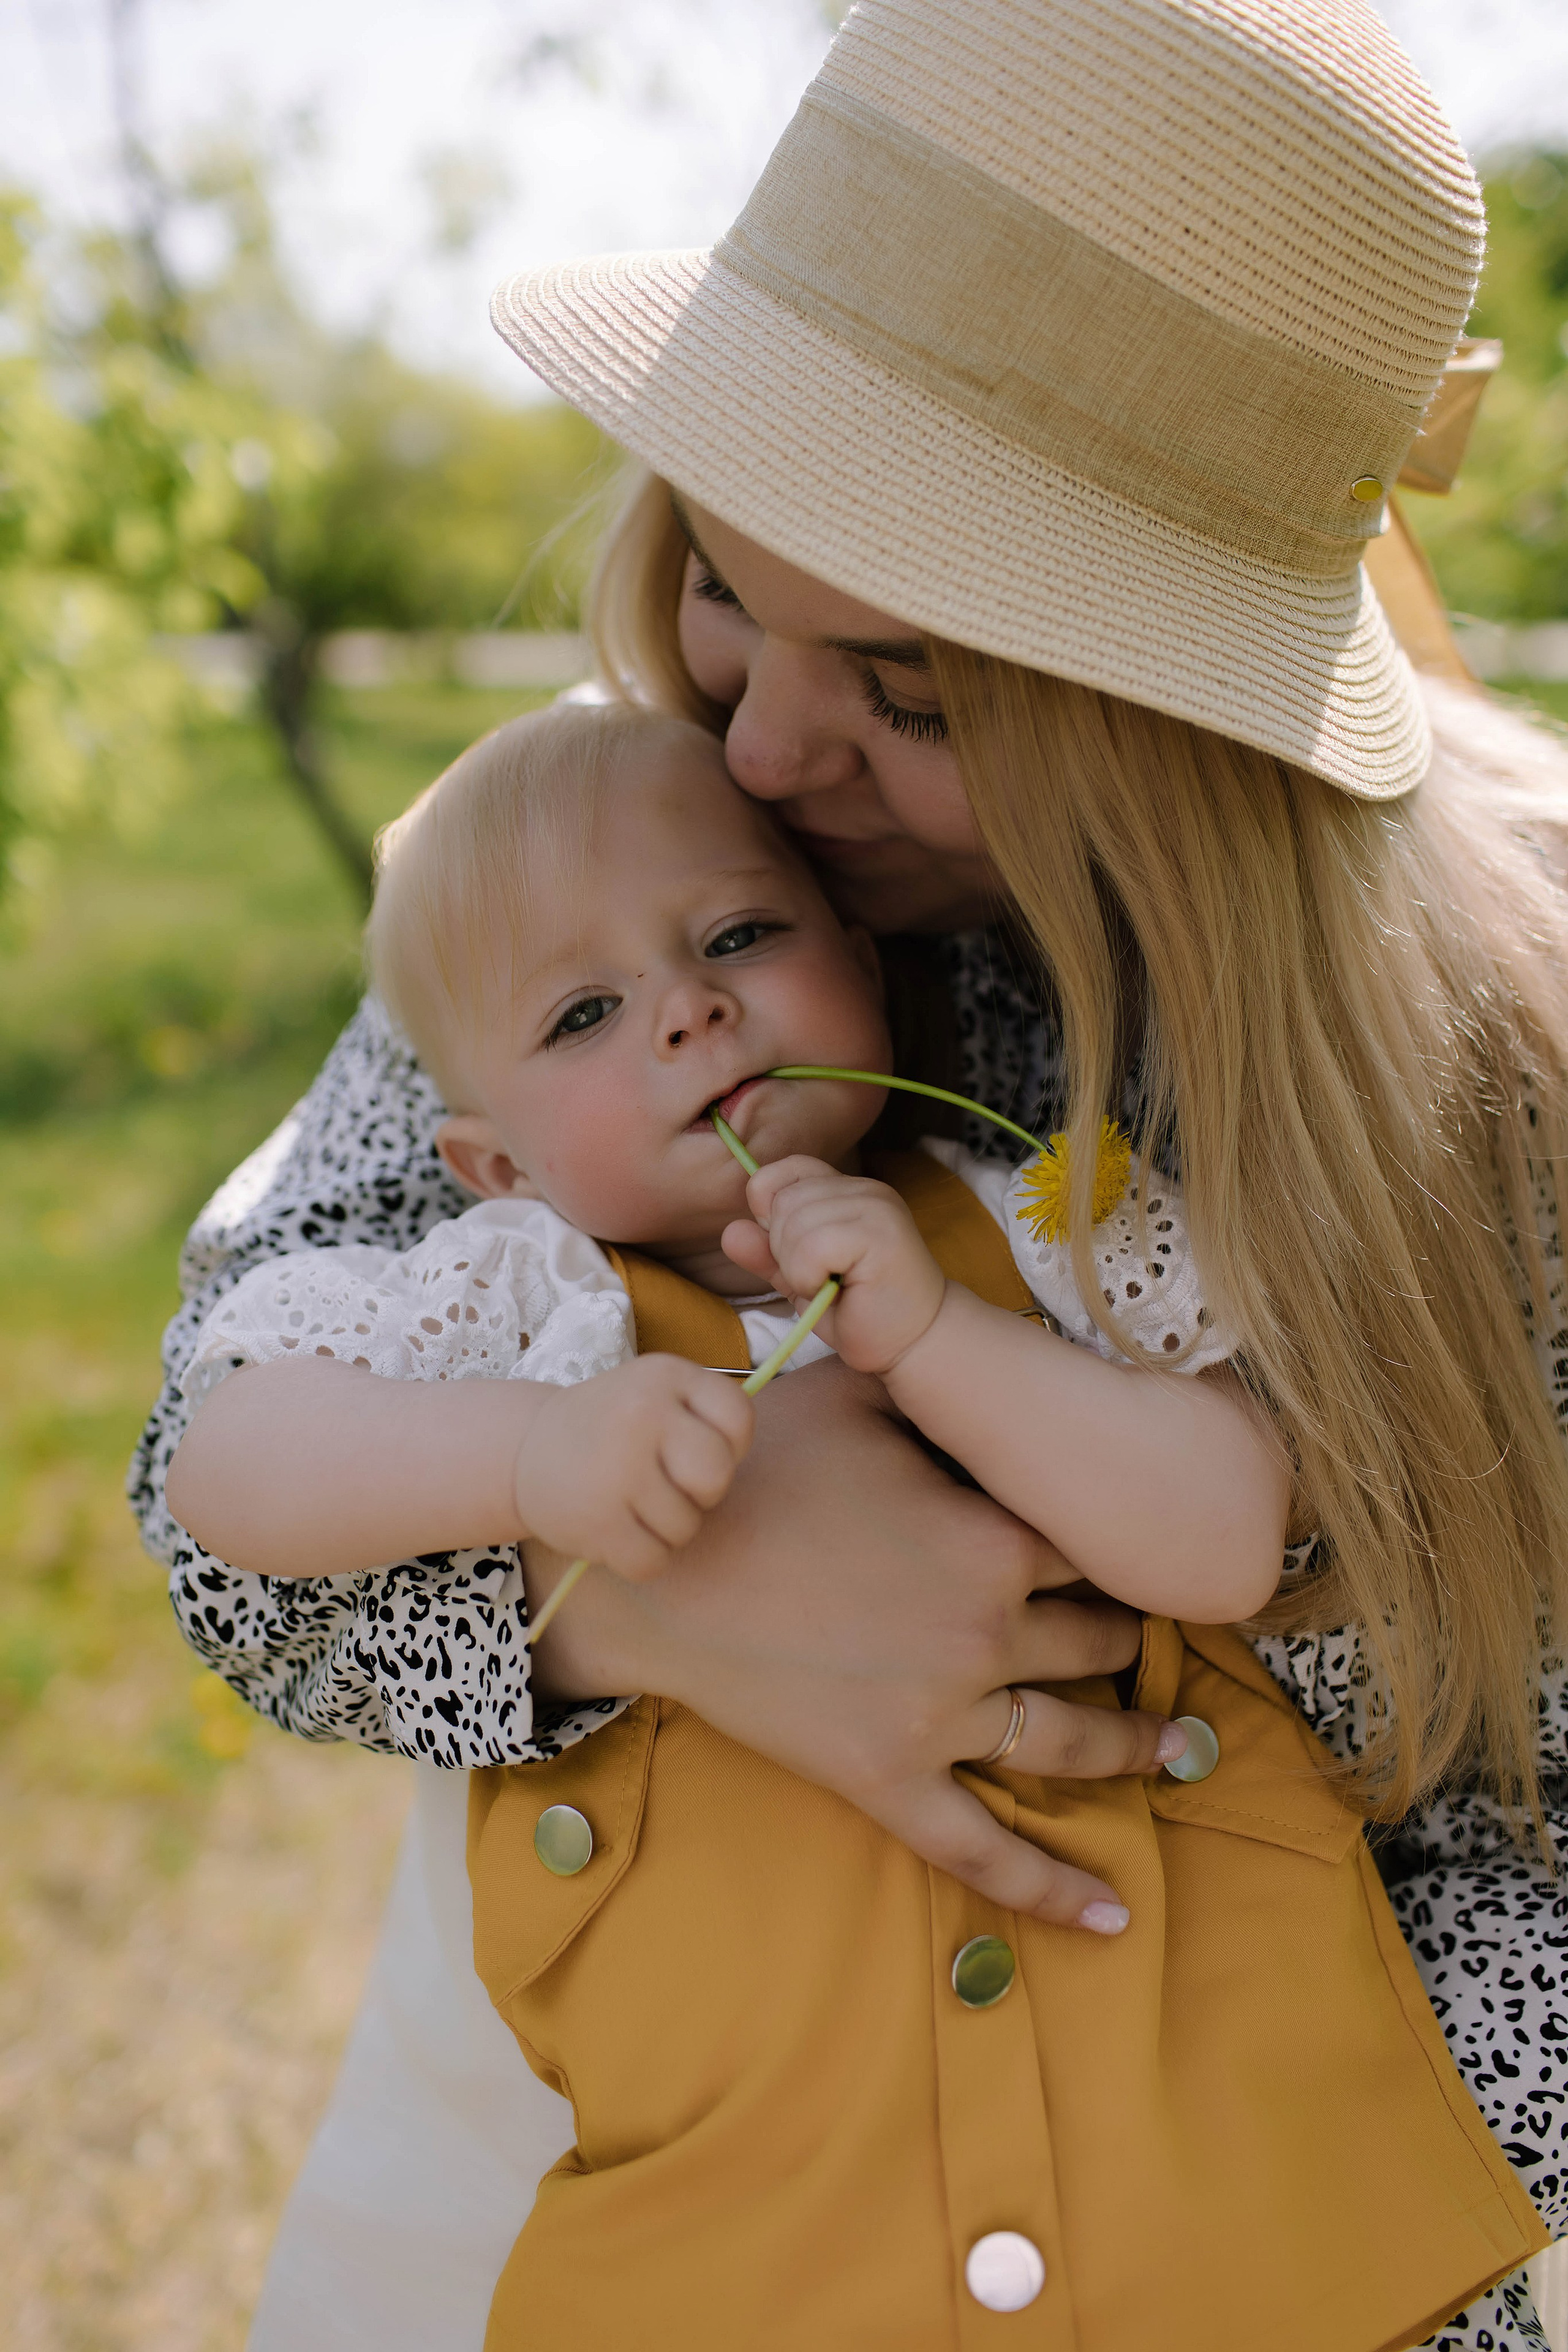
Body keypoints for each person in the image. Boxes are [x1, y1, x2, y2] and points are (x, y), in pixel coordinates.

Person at [127, 0, 1568, 2345]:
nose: (763, 746)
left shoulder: (1481, 1061)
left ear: (1173, 719)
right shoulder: (584, 879)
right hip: (625, 2169)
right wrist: (636, 1599)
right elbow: (218, 1501)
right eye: (718, 579)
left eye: (913, 689)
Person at [165, 698, 1532, 2348]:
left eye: (741, 933)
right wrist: (527, 1459)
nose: (689, 1009)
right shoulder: (512, 1296)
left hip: (1194, 2132)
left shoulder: (1049, 1211)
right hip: (761, 2199)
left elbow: (1231, 1535)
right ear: (492, 1160)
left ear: (864, 966)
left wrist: (946, 1339)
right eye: (588, 1012)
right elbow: (226, 1470)